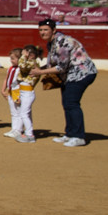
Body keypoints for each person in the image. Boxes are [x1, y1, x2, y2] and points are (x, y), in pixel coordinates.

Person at [32, 19, 97, 147]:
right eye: (40, 30)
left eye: (46, 30)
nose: (42, 32)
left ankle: (79, 136)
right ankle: (70, 133)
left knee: (71, 103)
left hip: (81, 74)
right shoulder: (52, 43)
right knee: (67, 103)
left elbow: (61, 67)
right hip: (70, 75)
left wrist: (40, 72)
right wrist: (40, 69)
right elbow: (54, 64)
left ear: (54, 30)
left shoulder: (63, 42)